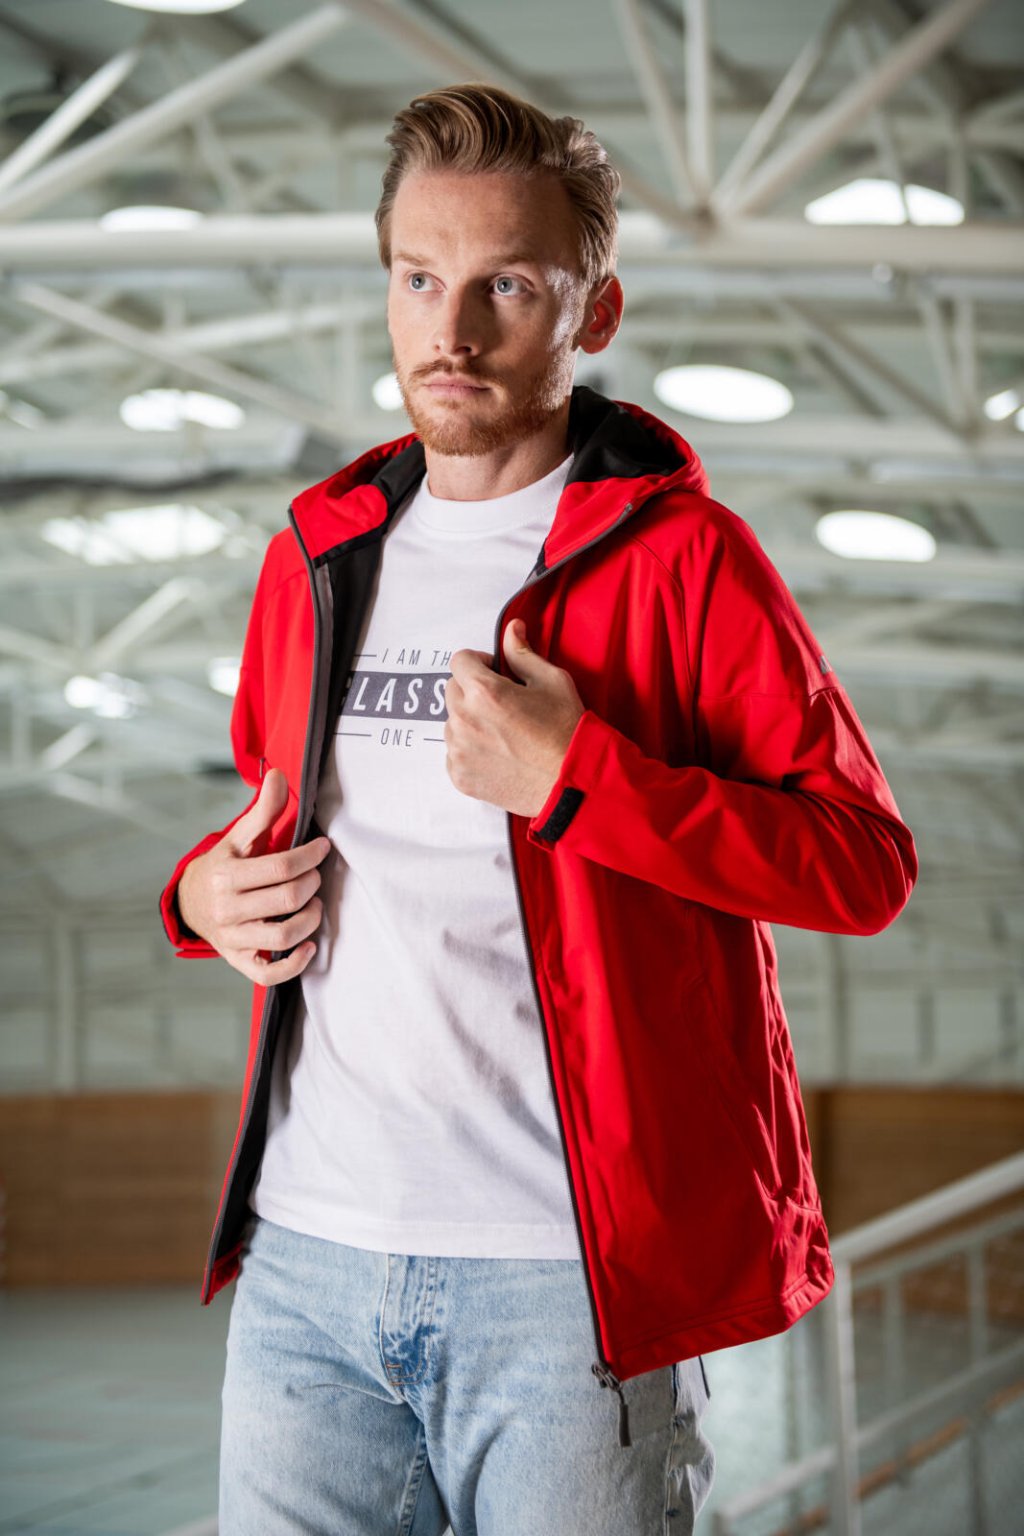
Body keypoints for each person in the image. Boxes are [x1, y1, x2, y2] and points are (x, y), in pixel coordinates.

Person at [160, 83, 918, 1536]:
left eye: (506, 285)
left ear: (595, 311)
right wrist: (199, 897)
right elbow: (263, 821)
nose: (450, 332)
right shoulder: (315, 554)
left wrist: (583, 782)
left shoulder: (687, 561)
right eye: (418, 279)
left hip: (564, 1281)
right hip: (307, 1265)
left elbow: (862, 865)